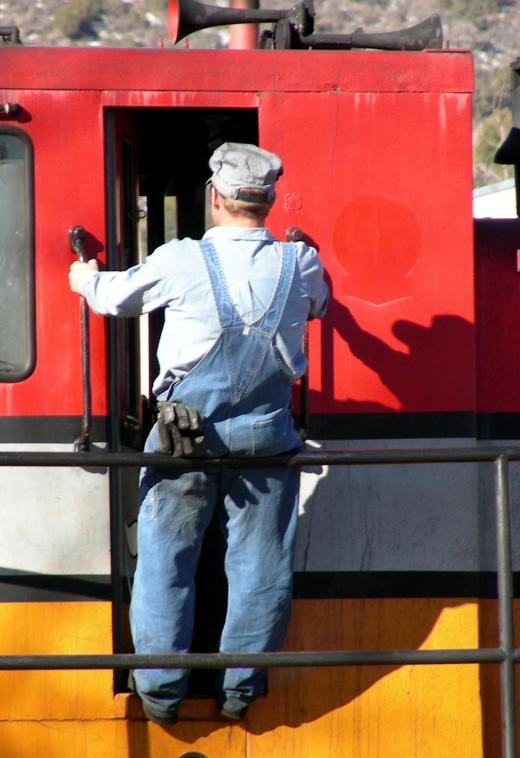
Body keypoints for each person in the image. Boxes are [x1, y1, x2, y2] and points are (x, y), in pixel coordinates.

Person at [69, 142, 329, 725]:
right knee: (260, 566)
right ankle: (240, 692)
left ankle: (160, 695)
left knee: (168, 562)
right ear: (266, 201)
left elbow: (112, 298)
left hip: (185, 440)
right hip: (267, 440)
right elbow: (319, 306)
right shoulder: (300, 264)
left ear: (215, 197)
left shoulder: (180, 260)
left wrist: (84, 275)